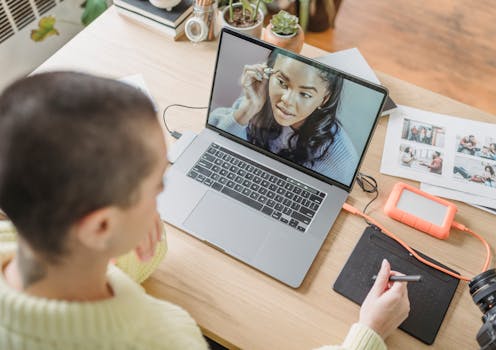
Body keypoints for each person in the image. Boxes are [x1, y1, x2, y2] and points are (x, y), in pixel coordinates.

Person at [0, 72, 410, 350]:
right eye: (156, 183)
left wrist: (131, 234)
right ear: (100, 225)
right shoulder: (164, 337)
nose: (165, 190)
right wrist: (369, 334)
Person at [209, 50, 358, 185]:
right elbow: (215, 148)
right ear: (268, 74)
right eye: (281, 82)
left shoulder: (341, 161)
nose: (287, 100)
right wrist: (248, 108)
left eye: (305, 94)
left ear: (324, 99)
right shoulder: (258, 103)